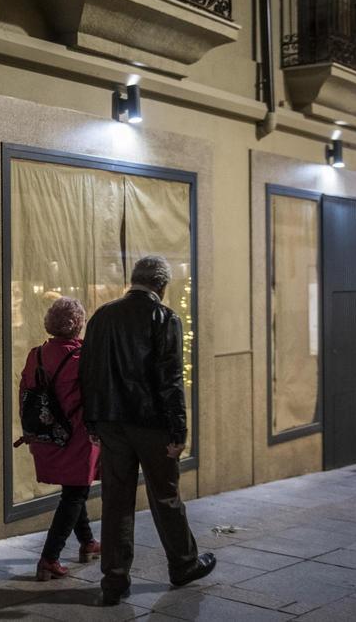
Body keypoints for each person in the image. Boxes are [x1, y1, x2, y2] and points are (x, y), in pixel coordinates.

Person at [80, 255, 215, 605]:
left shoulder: (101, 316)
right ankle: (183, 564)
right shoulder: (165, 318)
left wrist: (93, 422)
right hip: (152, 424)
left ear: (134, 280)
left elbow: (89, 373)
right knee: (165, 495)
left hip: (111, 423)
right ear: (162, 285)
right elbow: (171, 380)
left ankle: (113, 580)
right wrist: (178, 431)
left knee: (116, 501)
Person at [17, 297, 102, 581]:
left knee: (72, 490)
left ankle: (88, 543)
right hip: (76, 437)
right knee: (76, 493)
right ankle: (49, 558)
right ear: (78, 325)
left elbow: (25, 392)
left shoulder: (36, 354)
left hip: (45, 434)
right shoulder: (83, 357)